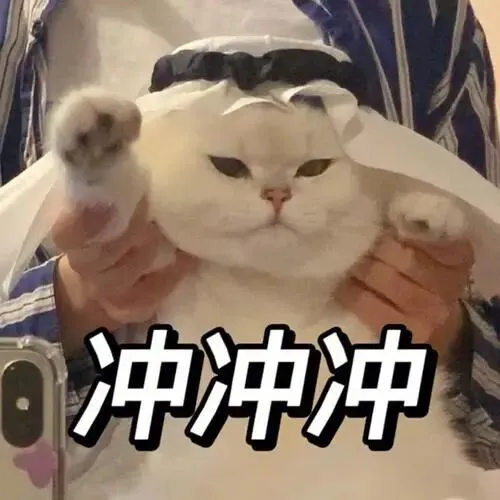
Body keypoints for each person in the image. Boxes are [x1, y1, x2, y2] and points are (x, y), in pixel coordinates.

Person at [0, 0, 499, 474]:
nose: (275, 198)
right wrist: (69, 303)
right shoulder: (13, 26)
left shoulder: (421, 16)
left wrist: (449, 335)